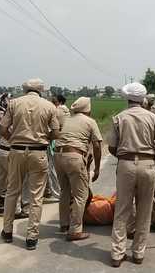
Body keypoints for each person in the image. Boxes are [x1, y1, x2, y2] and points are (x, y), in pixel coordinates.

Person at [108, 82, 155, 267]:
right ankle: (138, 253)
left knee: (122, 210)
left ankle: (117, 254)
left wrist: (123, 155)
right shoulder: (151, 117)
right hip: (148, 164)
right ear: (142, 99)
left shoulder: (119, 117)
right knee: (145, 210)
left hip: (126, 164)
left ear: (128, 99)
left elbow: (111, 147)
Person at [0, 78, 60, 251]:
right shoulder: (49, 106)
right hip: (39, 152)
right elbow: (56, 133)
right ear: (41, 90)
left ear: (25, 89)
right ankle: (31, 237)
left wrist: (14, 140)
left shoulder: (14, 103)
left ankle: (7, 231)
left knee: (12, 191)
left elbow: (3, 129)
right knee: (36, 196)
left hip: (17, 150)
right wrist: (43, 139)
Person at [54, 97, 103, 241]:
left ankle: (64, 224)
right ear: (88, 110)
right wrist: (98, 168)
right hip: (74, 157)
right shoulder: (90, 121)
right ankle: (75, 230)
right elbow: (97, 146)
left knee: (64, 192)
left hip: (58, 156)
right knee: (80, 195)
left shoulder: (68, 119)